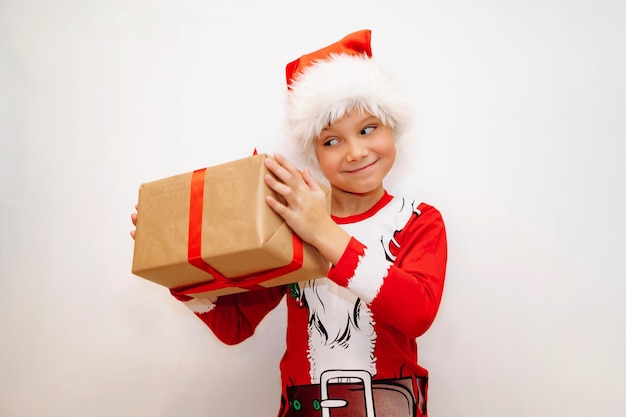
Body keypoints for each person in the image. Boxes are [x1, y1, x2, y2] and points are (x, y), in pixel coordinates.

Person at [131, 29, 447, 417]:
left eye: (368, 129)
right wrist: (176, 266)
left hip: (389, 405)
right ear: (312, 152)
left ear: (392, 128)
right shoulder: (290, 225)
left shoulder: (417, 221)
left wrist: (323, 233)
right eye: (331, 140)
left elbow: (417, 314)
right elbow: (235, 327)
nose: (356, 151)